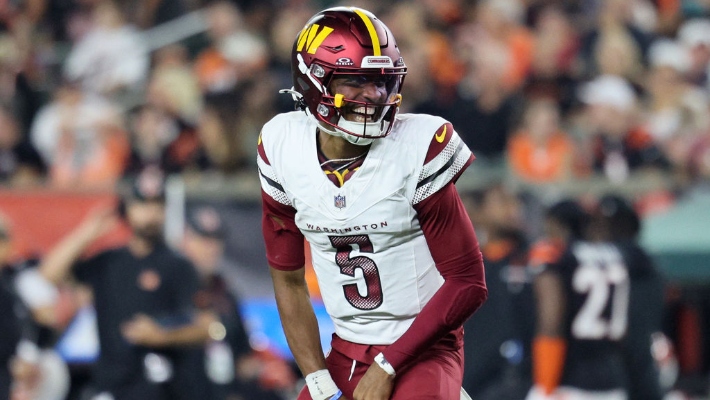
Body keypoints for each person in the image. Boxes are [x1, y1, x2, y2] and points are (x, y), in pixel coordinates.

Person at [258, 7, 487, 400]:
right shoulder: (282, 146)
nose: (374, 94)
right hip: (345, 349)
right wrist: (317, 380)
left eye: (381, 81)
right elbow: (288, 279)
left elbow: (468, 283)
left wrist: (387, 365)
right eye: (355, 81)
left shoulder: (416, 147)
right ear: (313, 81)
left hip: (423, 350)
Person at [39, 169, 216, 400]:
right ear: (128, 209)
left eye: (157, 205)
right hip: (113, 386)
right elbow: (49, 273)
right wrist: (87, 232)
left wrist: (162, 336)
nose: (150, 214)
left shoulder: (179, 266)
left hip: (166, 388)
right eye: (142, 205)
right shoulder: (108, 262)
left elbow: (208, 327)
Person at [526, 198, 649, 400]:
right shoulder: (621, 257)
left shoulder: (561, 258)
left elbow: (551, 320)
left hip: (571, 381)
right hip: (613, 380)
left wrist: (545, 386)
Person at [181, 206, 294, 400]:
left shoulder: (224, 294)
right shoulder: (172, 287)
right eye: (203, 240)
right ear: (186, 241)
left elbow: (242, 356)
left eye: (216, 240)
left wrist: (264, 369)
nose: (211, 248)